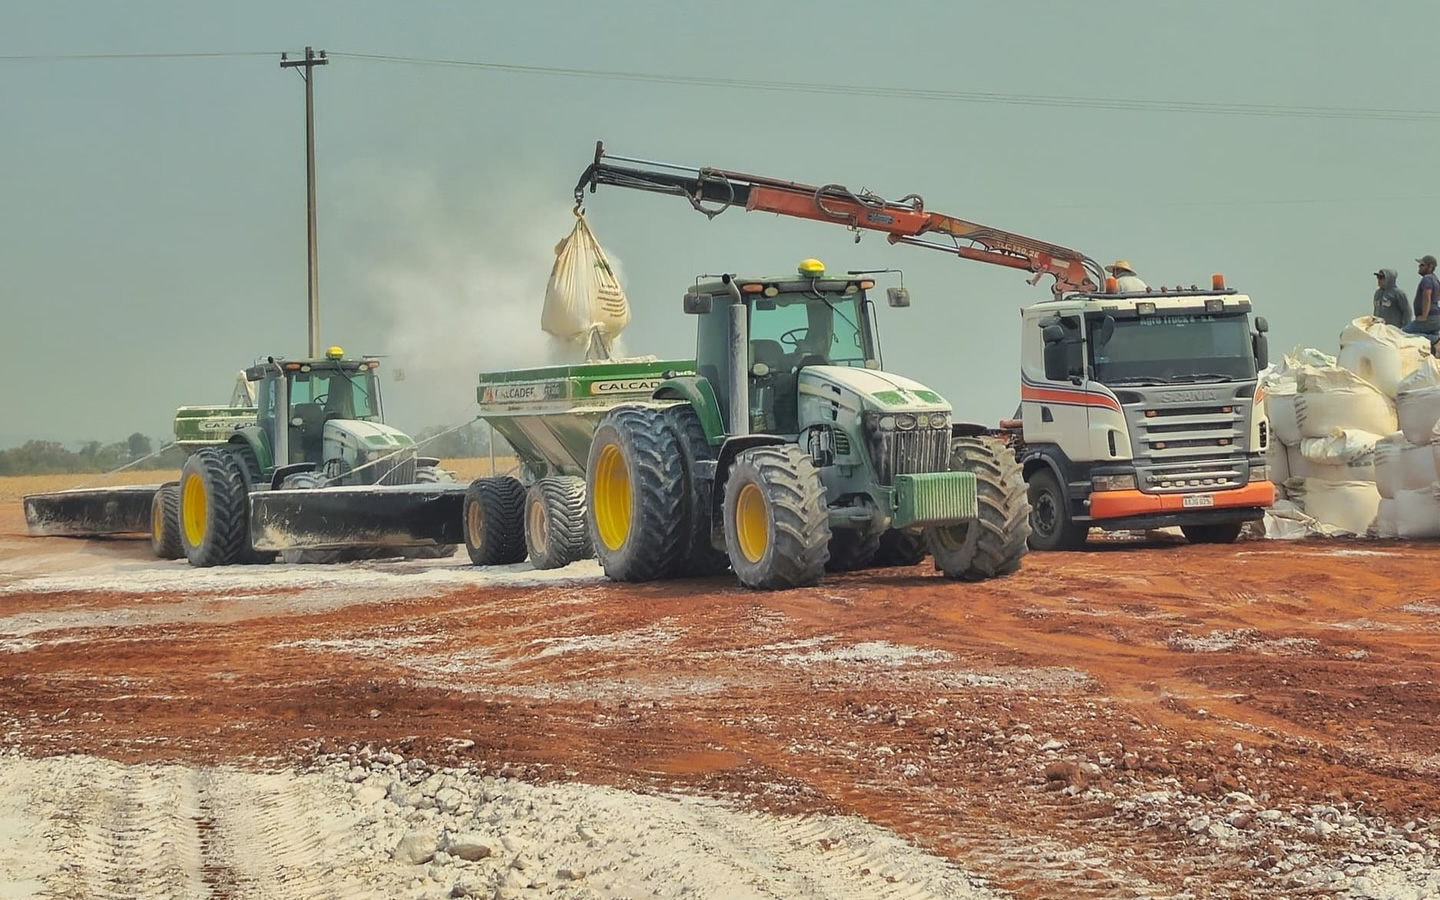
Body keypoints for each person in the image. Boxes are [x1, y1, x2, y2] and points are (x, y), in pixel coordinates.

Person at [1403, 255, 1440, 340]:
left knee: (1404, 333)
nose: (1419, 267)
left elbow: (1427, 297)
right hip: (1436, 317)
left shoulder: (1427, 279)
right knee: (1425, 339)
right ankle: (1434, 339)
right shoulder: (1435, 279)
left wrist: (1424, 316)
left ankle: (1435, 339)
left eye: (1422, 265)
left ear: (1430, 267)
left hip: (1429, 317)